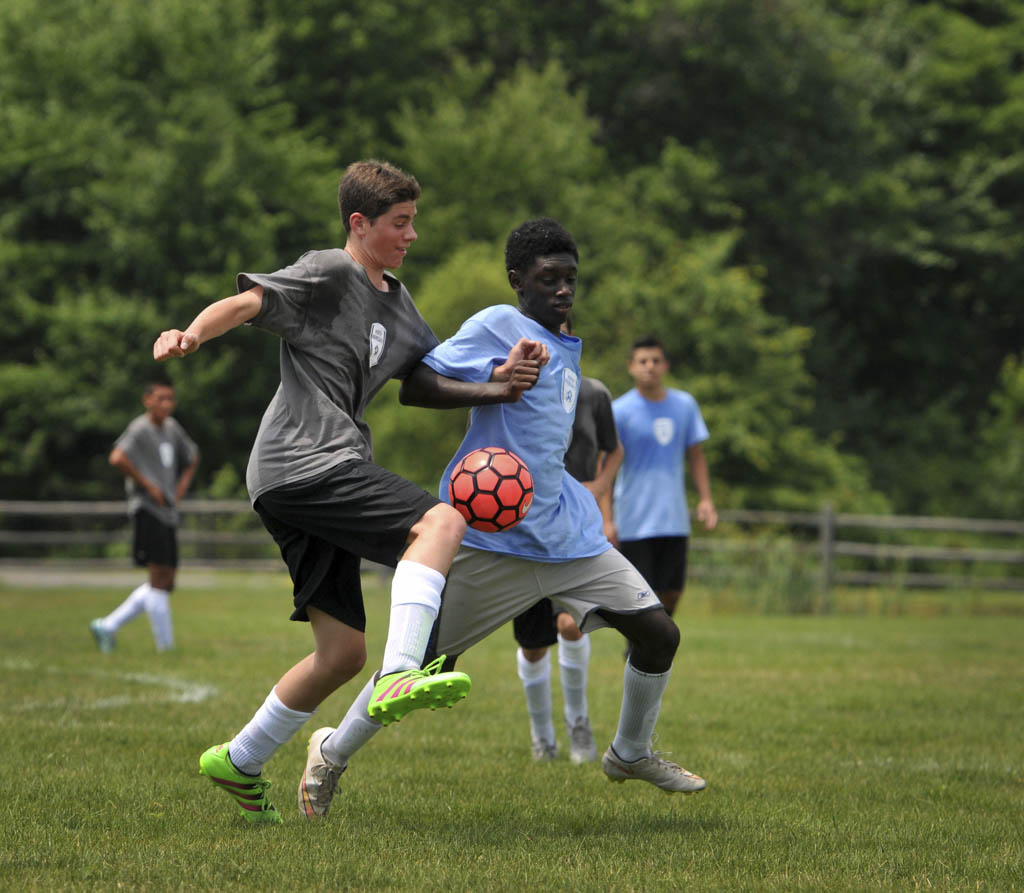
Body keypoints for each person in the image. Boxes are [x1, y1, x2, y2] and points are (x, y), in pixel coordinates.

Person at [152, 160, 547, 824]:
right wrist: (192, 331)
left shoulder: (399, 301)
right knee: (443, 523)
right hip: (307, 460)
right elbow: (249, 302)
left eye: (414, 220)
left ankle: (240, 760)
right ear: (360, 225)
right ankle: (401, 673)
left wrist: (499, 382)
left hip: (292, 479)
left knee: (340, 654)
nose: (412, 234)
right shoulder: (329, 272)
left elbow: (422, 380)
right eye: (400, 222)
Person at [299, 218, 706, 822]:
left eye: (571, 279)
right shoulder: (498, 324)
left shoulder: (566, 345)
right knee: (414, 670)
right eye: (549, 279)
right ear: (518, 280)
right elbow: (417, 385)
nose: (564, 290)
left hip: (566, 535)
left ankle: (630, 752)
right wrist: (494, 388)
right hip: (491, 542)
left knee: (658, 633)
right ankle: (328, 755)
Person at [511, 316, 623, 764]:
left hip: (575, 529)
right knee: (533, 643)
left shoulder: (593, 394)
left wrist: (601, 499)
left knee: (571, 623)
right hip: (522, 531)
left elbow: (613, 450)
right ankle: (543, 738)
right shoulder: (511, 387)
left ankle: (579, 726)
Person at [610, 336, 717, 617]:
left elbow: (695, 455)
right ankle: (638, 653)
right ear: (631, 366)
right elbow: (605, 466)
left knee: (671, 593)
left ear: (666, 365)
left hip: (674, 518)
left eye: (656, 361)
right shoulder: (619, 411)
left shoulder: (685, 406)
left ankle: (655, 652)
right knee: (640, 596)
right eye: (643, 361)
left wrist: (705, 499)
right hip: (634, 519)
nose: (650, 367)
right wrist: (606, 519)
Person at [90, 379, 199, 653]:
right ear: (147, 400)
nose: (167, 404)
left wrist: (181, 485)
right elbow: (117, 457)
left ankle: (108, 625)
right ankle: (166, 648)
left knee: (166, 580)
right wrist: (148, 485)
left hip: (167, 510)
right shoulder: (140, 429)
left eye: (170, 399)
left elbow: (193, 455)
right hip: (147, 509)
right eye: (161, 399)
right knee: (159, 577)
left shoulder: (172, 428)